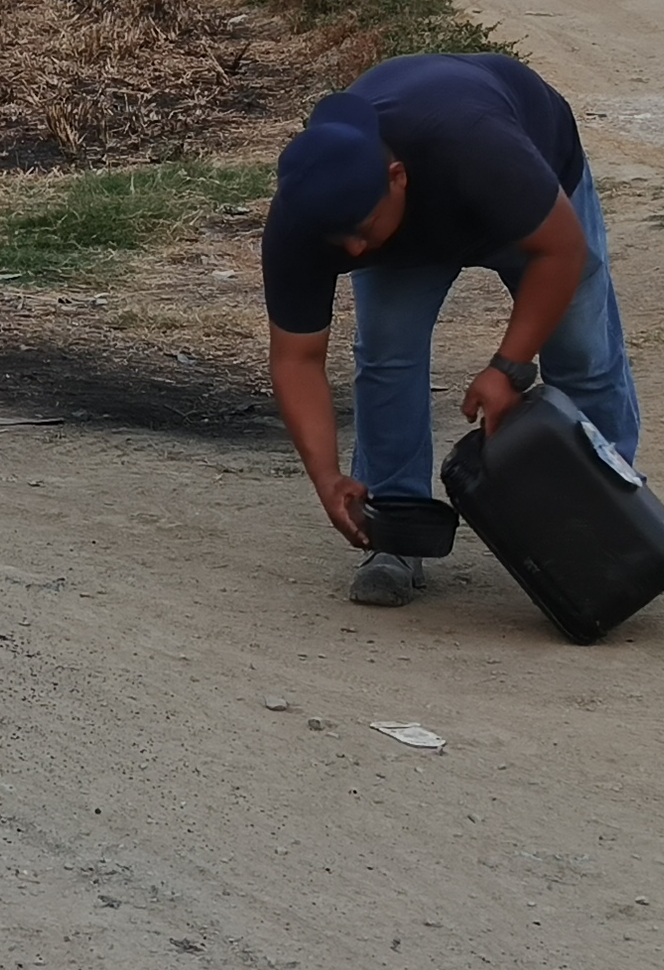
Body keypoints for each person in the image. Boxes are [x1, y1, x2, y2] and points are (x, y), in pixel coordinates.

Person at [262, 51, 641, 607]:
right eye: (338, 241)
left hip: (531, 184)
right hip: (421, 215)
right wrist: (325, 476)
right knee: (388, 355)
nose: (355, 251)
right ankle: (394, 530)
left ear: (396, 177)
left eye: (362, 229)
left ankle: (607, 526)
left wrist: (508, 367)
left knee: (582, 352)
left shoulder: (476, 146)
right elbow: (296, 359)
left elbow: (561, 251)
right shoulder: (305, 220)